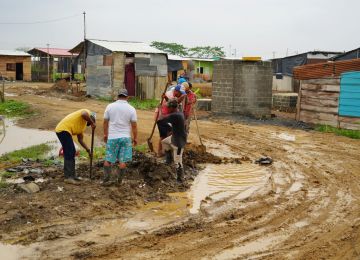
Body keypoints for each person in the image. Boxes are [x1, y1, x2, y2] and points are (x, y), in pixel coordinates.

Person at [103, 89, 138, 185]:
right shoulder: (131, 109)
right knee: (122, 161)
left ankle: (106, 180)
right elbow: (134, 125)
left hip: (113, 137)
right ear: (127, 97)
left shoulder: (110, 106)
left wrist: (105, 134)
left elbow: (105, 122)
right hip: (125, 137)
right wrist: (135, 138)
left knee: (108, 159)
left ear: (117, 96)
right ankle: (119, 181)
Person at [55, 109, 96, 184]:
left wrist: (88, 150)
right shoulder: (87, 112)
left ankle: (72, 176)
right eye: (91, 121)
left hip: (65, 131)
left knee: (72, 152)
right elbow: (84, 114)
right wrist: (93, 122)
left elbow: (80, 140)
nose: (90, 123)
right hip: (62, 130)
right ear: (91, 117)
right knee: (70, 152)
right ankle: (68, 177)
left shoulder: (82, 126)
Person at [157, 98, 187, 182]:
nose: (167, 109)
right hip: (175, 136)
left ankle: (180, 179)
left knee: (177, 161)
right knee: (164, 142)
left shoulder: (175, 115)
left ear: (172, 108)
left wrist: (160, 110)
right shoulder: (178, 112)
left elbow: (160, 120)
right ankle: (168, 160)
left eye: (168, 108)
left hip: (179, 142)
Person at [156, 85, 186, 156]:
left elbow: (173, 101)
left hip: (169, 117)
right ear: (176, 91)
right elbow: (172, 102)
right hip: (164, 117)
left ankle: (168, 152)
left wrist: (165, 97)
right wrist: (159, 110)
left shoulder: (175, 95)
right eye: (180, 93)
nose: (181, 94)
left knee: (169, 135)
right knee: (164, 136)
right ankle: (160, 152)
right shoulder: (170, 94)